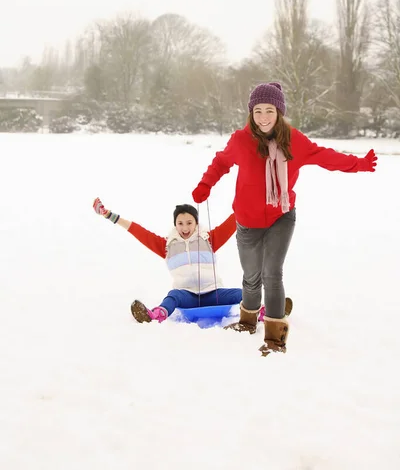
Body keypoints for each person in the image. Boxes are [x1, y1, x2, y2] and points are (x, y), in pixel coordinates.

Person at [192, 82, 378, 356]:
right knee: (251, 276)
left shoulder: (293, 141)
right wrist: (205, 184)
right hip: (246, 221)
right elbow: (221, 162)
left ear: (279, 112)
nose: (264, 117)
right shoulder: (241, 141)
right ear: (251, 113)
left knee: (272, 273)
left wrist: (358, 165)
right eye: (258, 111)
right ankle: (247, 322)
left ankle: (275, 337)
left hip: (281, 216)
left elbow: (324, 156)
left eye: (270, 110)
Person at [92, 198, 243, 323]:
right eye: (180, 223)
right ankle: (154, 315)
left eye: (189, 223)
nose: (185, 228)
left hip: (213, 293)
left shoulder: (209, 239)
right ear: (175, 224)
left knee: (244, 294)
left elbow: (234, 219)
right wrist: (109, 215)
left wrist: (249, 196)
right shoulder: (166, 246)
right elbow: (138, 231)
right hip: (187, 296)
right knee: (173, 296)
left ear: (196, 223)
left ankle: (262, 312)